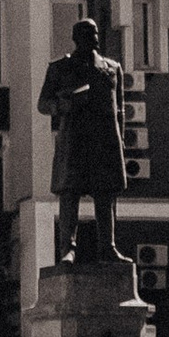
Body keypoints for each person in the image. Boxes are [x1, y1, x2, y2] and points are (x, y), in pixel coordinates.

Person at [38, 17, 130, 266]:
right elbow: (43, 104)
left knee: (105, 194)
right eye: (89, 34)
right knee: (70, 194)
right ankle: (68, 249)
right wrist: (64, 105)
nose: (95, 39)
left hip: (104, 141)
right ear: (76, 38)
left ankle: (108, 248)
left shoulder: (112, 68)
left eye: (96, 33)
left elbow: (120, 110)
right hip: (74, 141)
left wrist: (120, 141)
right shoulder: (60, 68)